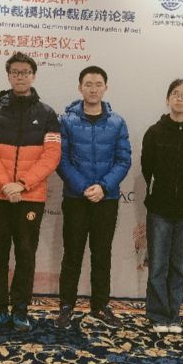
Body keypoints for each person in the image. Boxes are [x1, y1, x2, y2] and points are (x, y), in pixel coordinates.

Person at [0, 51, 61, 332]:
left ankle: (21, 310)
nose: (20, 77)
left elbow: (51, 156)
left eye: (25, 72)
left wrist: (23, 184)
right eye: (15, 72)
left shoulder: (47, 114)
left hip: (30, 196)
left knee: (26, 254)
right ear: (9, 76)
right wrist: (5, 184)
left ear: (33, 76)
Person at [55, 66, 131, 329]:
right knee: (72, 254)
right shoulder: (66, 121)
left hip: (106, 200)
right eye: (88, 84)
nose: (93, 89)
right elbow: (61, 160)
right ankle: (66, 306)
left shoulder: (117, 122)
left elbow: (123, 160)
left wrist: (103, 187)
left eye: (98, 84)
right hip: (76, 198)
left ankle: (100, 306)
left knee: (102, 254)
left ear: (105, 88)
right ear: (80, 87)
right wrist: (84, 187)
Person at [141, 79, 183, 334]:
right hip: (160, 208)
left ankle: (174, 315)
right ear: (168, 98)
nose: (180, 99)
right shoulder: (154, 132)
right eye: (175, 94)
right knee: (158, 265)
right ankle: (158, 315)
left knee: (180, 265)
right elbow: (147, 167)